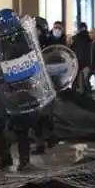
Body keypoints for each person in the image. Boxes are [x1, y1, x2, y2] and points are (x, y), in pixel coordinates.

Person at [0, 9, 38, 171]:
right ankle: (3, 157)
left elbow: (28, 64)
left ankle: (24, 160)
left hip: (19, 87)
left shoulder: (23, 42)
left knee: (20, 125)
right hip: (3, 87)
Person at [33, 16, 60, 155]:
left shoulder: (49, 44)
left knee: (44, 116)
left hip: (48, 84)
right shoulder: (31, 44)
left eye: (36, 29)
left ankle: (48, 139)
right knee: (39, 117)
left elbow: (58, 63)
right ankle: (44, 142)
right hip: (36, 84)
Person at [70, 22, 92, 96]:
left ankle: (73, 95)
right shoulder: (89, 38)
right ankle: (87, 95)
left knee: (75, 80)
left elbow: (71, 50)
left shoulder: (75, 38)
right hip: (87, 63)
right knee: (85, 81)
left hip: (77, 61)